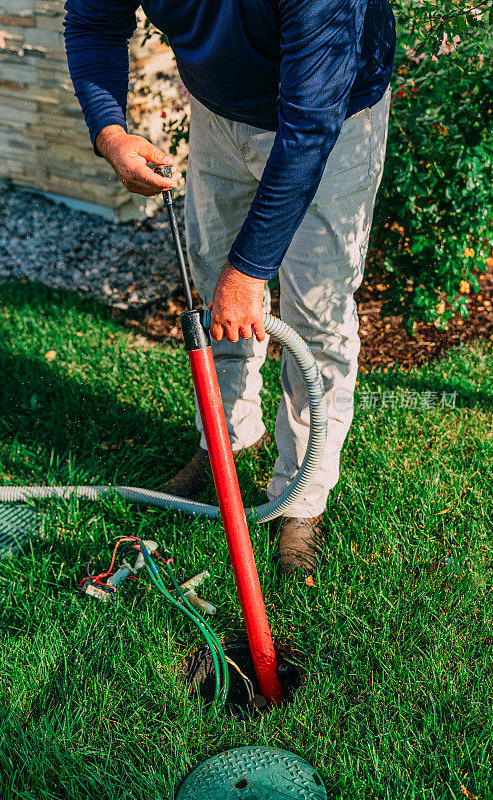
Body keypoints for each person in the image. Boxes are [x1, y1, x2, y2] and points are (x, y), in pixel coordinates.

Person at [64, 0, 396, 576]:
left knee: (314, 315)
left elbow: (311, 125)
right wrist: (110, 131)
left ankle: (300, 498)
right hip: (217, 111)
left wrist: (248, 271)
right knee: (213, 280)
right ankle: (227, 441)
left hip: (332, 122)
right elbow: (93, 20)